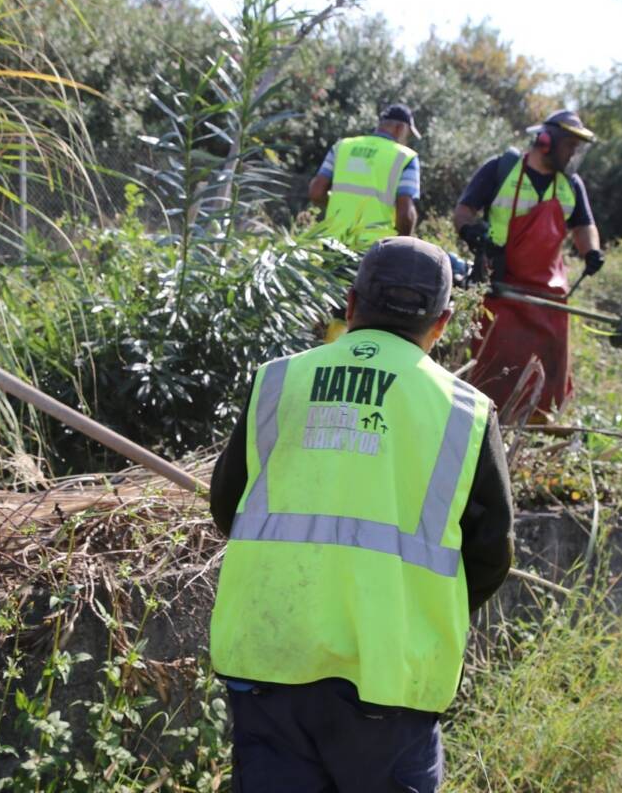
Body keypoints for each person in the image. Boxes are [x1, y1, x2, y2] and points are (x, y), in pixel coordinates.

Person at [207, 237, 515, 792]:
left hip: (271, 663)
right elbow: (491, 555)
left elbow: (229, 511)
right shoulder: (465, 412)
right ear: (442, 323)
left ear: (350, 305)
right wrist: (420, 607)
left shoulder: (277, 381)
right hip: (389, 677)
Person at [453, 109, 602, 420]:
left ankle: (538, 427)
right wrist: (470, 230)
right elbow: (464, 211)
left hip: (549, 299)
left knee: (548, 373)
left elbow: (583, 225)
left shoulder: (570, 185)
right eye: (569, 146)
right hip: (500, 289)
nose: (573, 154)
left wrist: (592, 252)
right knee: (492, 367)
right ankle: (484, 422)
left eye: (577, 148)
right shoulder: (500, 170)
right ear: (546, 142)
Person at [309, 104, 423, 251]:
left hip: (333, 242)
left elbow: (316, 192)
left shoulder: (342, 147)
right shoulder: (405, 157)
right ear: (400, 128)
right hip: (376, 249)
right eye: (408, 134)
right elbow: (405, 212)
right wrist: (402, 244)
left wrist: (341, 209)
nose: (406, 139)